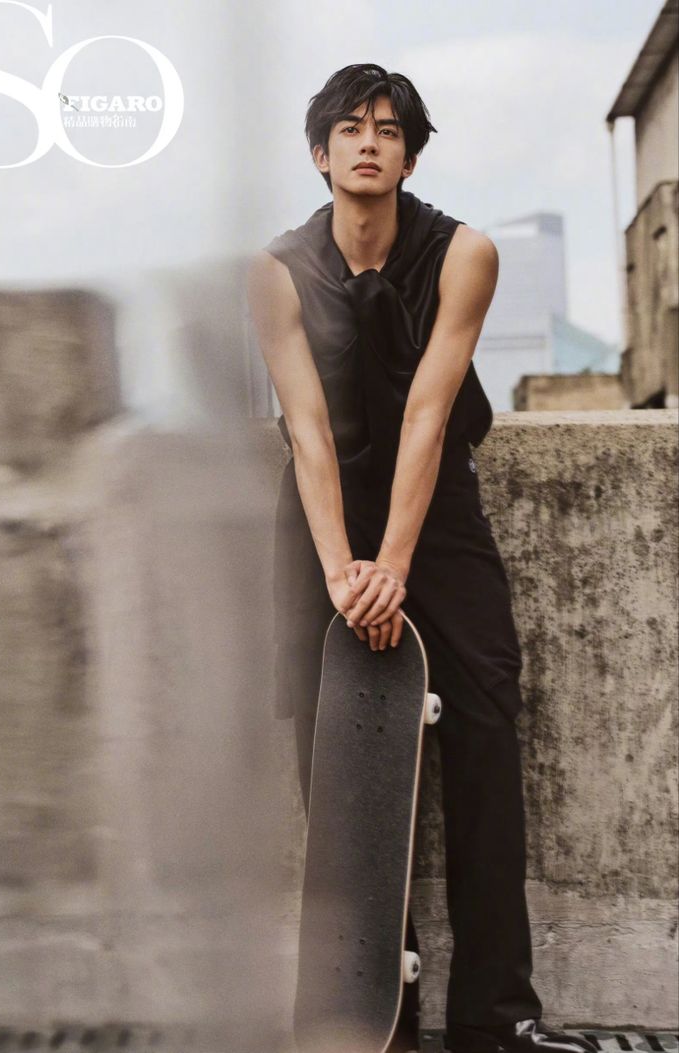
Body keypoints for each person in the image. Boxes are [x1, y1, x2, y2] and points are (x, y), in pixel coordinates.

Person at [247, 63, 599, 1053]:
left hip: (436, 515)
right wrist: (341, 573)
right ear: (320, 154)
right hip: (321, 521)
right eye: (349, 128)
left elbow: (429, 417)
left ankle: (498, 1017)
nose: (369, 142)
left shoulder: (464, 254)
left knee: (485, 730)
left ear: (409, 152)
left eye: (389, 129)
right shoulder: (273, 273)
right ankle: (369, 1024)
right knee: (342, 762)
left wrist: (393, 568)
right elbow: (308, 431)